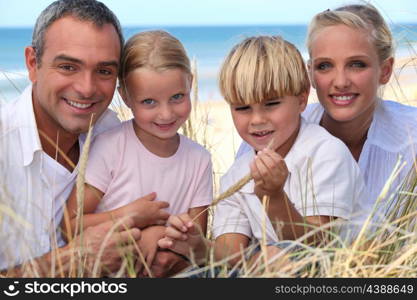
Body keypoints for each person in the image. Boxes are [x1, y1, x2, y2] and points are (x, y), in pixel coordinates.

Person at [160, 35, 368, 269]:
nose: (257, 120)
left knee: (276, 256)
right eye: (242, 108)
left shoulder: (326, 153)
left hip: (337, 270)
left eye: (271, 104)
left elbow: (316, 247)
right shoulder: (237, 174)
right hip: (271, 269)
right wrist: (198, 247)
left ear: (301, 100)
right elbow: (232, 255)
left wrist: (274, 197)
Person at [0, 0, 144, 276]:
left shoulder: (115, 135)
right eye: (68, 67)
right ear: (32, 64)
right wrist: (67, 262)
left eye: (104, 71)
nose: (86, 88)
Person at [238, 3, 417, 223]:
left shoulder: (412, 138)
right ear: (310, 74)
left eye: (357, 64)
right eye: (324, 66)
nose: (340, 82)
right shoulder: (270, 131)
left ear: (385, 70)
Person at [63, 30, 213, 277]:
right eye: (149, 102)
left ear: (191, 83)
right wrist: (130, 216)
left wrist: (161, 235)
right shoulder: (110, 146)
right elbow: (70, 226)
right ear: (126, 97)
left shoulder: (199, 159)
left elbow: (196, 244)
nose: (165, 114)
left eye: (177, 97)